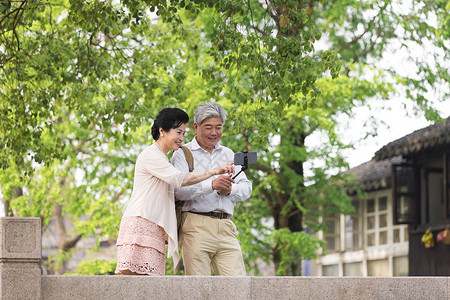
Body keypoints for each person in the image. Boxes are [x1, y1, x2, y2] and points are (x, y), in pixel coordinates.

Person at [115, 108, 234, 276]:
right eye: (178, 132)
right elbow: (180, 180)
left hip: (153, 225)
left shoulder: (162, 157)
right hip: (141, 224)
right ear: (162, 131)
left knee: (147, 287)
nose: (181, 138)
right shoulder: (151, 155)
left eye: (184, 134)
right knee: (131, 284)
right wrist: (214, 171)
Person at [172, 102, 252, 276]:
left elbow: (246, 189)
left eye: (218, 127)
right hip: (195, 225)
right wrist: (212, 185)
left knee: (237, 286)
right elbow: (178, 190)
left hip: (227, 226)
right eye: (208, 127)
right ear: (196, 127)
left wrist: (229, 190)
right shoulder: (182, 154)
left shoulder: (229, 154)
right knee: (199, 288)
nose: (214, 133)